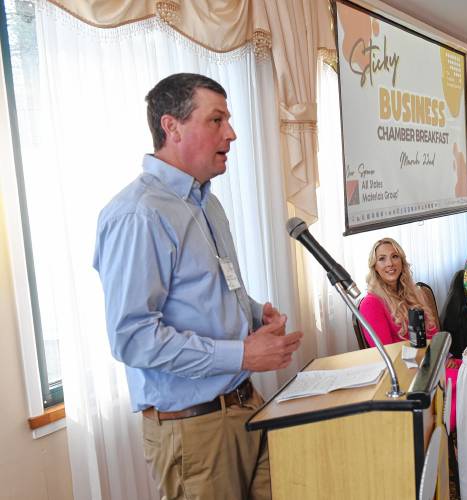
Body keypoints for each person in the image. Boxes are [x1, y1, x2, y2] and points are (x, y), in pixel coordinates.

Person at [94, 73, 303, 500]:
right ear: (172, 127)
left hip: (245, 404)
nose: (232, 133)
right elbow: (133, 339)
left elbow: (214, 288)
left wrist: (253, 310)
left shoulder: (207, 202)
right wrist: (242, 352)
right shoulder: (140, 215)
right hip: (194, 428)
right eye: (217, 120)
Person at [358, 238, 438, 346]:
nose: (390, 263)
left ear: (402, 262)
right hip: (408, 362)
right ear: (375, 267)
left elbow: (432, 335)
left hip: (434, 359)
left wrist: (445, 356)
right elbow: (387, 353)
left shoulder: (415, 293)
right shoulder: (370, 304)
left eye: (394, 256)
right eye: (382, 259)